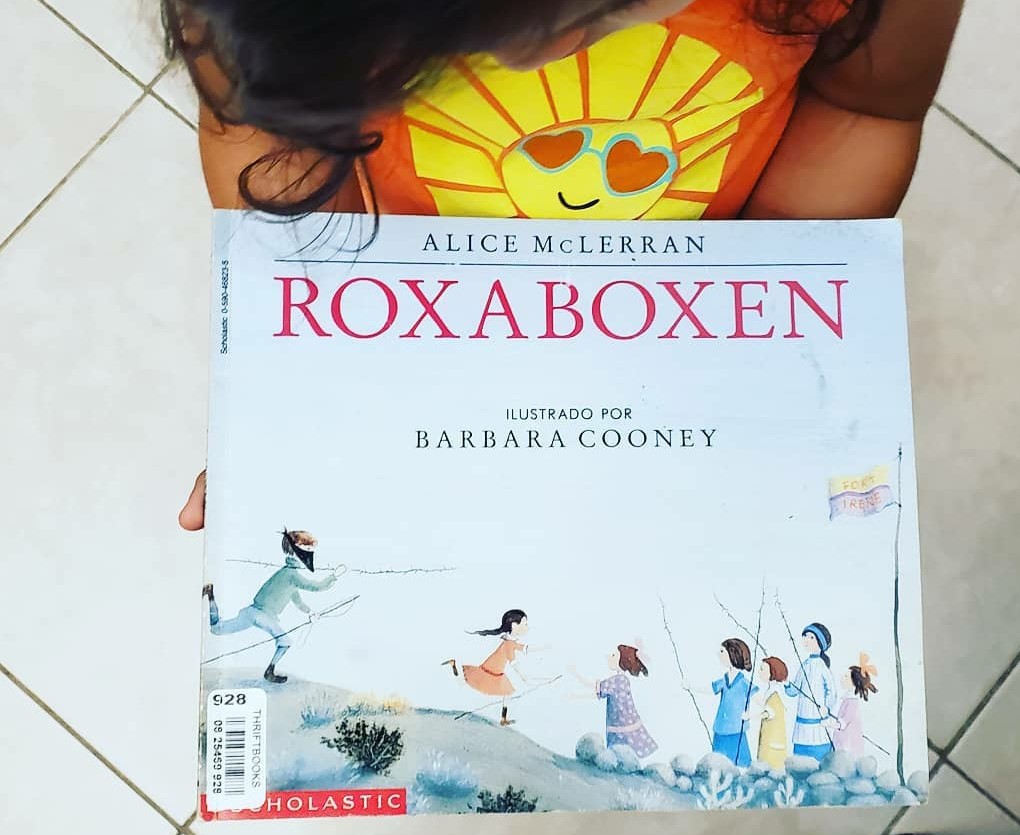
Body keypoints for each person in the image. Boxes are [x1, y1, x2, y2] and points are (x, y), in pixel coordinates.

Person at [173, 0, 962, 524]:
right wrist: (296, 385)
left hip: (705, 298)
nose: (535, 54)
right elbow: (260, 130)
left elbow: (864, 107)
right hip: (414, 313)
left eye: (605, 6)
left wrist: (763, 330)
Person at [203, 529, 338, 683]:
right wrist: (334, 577)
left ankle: (210, 595)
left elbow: (297, 600)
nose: (310, 554)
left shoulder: (288, 574)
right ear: (295, 550)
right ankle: (269, 672)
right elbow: (316, 587)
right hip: (261, 615)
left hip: (252, 612)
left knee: (217, 629)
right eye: (307, 548)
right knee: (285, 642)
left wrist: (310, 612)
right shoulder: (291, 574)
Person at [444, 608, 531, 726]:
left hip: (497, 672)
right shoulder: (508, 643)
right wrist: (524, 677)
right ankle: (454, 665)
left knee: (507, 693)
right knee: (463, 682)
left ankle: (503, 719)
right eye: (524, 624)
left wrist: (545, 648)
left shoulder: (510, 641)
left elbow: (523, 648)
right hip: (490, 671)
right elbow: (514, 661)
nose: (527, 627)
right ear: (514, 625)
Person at [570, 644, 658, 758]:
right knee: (623, 754)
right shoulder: (623, 680)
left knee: (619, 753)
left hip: (620, 727)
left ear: (622, 661)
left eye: (613, 655)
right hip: (625, 724)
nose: (608, 657)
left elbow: (593, 688)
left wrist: (575, 677)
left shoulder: (617, 681)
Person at [784, 622, 837, 760]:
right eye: (805, 636)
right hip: (802, 719)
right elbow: (794, 690)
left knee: (819, 758)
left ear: (820, 642)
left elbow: (832, 691)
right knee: (800, 760)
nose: (806, 640)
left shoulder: (822, 666)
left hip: (818, 720)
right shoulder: (805, 665)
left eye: (811, 637)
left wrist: (827, 707)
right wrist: (785, 682)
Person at [711, 638, 758, 766]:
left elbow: (760, 701)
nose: (718, 654)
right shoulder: (724, 680)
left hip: (736, 730)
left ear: (733, 654)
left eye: (722, 651)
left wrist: (750, 714)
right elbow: (711, 689)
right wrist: (690, 687)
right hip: (720, 728)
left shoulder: (744, 683)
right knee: (718, 764)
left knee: (741, 764)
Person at [829, 651, 878, 756]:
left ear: (854, 681)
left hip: (848, 744)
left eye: (846, 677)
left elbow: (844, 721)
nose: (842, 678)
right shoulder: (847, 699)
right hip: (843, 741)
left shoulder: (852, 702)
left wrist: (829, 724)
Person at [751, 655, 789, 769]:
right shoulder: (771, 690)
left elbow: (769, 712)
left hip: (773, 738)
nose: (759, 672)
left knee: (770, 765)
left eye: (762, 669)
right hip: (770, 735)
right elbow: (764, 704)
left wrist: (752, 716)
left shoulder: (775, 693)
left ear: (772, 672)